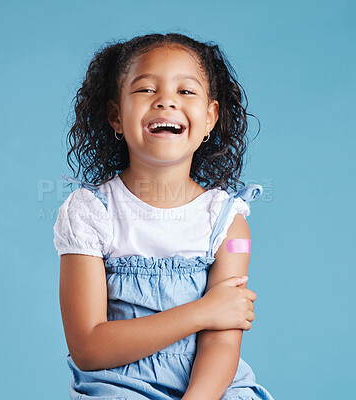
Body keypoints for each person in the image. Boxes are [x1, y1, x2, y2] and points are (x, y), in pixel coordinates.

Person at [53, 32, 275, 400]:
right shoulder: (90, 213)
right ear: (116, 116)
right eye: (145, 90)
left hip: (210, 387)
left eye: (185, 92)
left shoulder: (228, 222)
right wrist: (204, 311)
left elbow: (224, 335)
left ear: (209, 118)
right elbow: (89, 348)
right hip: (120, 386)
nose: (166, 101)